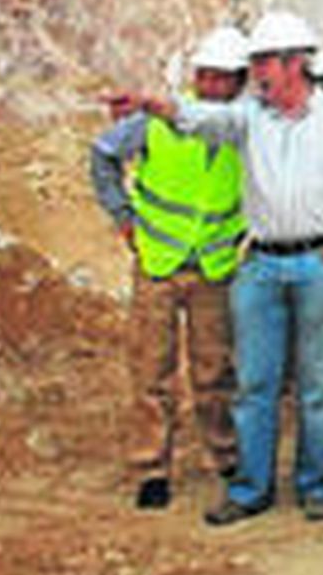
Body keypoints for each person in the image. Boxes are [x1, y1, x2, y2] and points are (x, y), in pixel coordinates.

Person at [107, 11, 323, 525]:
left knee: (320, 387)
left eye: (262, 61)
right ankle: (251, 488)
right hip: (260, 267)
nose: (255, 73)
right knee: (255, 383)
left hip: (321, 263)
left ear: (295, 63)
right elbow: (195, 116)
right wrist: (150, 104)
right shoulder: (249, 115)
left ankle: (316, 487)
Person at [90, 26, 248, 510]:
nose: (211, 84)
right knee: (151, 370)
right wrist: (123, 218)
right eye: (205, 75)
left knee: (214, 370)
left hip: (213, 268)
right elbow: (103, 154)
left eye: (222, 78)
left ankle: (223, 456)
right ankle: (151, 467)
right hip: (158, 263)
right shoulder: (156, 120)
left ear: (239, 81)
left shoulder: (245, 126)